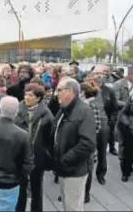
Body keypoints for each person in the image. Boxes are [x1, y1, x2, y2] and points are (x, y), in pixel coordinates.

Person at [52, 77, 96, 212]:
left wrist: (64, 160)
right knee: (68, 205)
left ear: (70, 91)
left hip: (74, 170)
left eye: (59, 90)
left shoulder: (84, 110)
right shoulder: (64, 109)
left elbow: (87, 144)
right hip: (64, 167)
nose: (55, 93)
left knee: (73, 207)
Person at [14, 84, 54, 212]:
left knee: (37, 188)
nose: (26, 97)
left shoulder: (46, 113)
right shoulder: (17, 110)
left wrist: (46, 153)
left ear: (39, 98)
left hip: (37, 156)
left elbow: (50, 136)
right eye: (25, 94)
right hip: (20, 156)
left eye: (30, 95)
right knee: (20, 188)